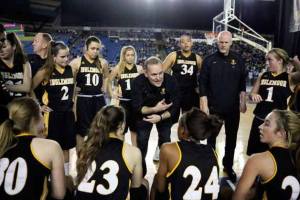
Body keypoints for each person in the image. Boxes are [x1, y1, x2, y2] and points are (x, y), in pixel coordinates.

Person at [199, 30, 247, 182]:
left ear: (231, 43)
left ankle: (228, 165)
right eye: (221, 42)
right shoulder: (209, 60)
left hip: (233, 109)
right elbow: (202, 85)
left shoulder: (238, 60)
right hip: (214, 109)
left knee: (231, 140)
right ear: (217, 42)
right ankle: (211, 166)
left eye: (226, 42)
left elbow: (242, 84)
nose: (223, 45)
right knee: (211, 139)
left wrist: (243, 102)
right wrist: (204, 105)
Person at [75, 105, 147, 200]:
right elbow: (136, 188)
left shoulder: (87, 146)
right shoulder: (133, 152)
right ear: (121, 126)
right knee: (145, 183)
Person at [0, 97, 65, 199]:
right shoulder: (52, 147)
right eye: (40, 113)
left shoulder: (3, 142)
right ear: (35, 119)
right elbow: (59, 195)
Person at [150, 108, 222, 200]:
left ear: (183, 130)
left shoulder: (168, 149)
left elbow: (161, 188)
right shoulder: (212, 152)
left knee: (157, 178)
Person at [233, 109, 300, 200]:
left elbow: (237, 198)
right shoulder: (296, 155)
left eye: (267, 124)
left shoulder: (257, 160)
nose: (260, 126)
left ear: (281, 133)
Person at [32, 41, 75, 174]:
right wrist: (39, 106)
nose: (66, 59)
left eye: (67, 56)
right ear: (53, 57)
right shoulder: (45, 71)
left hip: (67, 114)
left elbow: (73, 91)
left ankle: (66, 176)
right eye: (62, 57)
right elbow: (30, 88)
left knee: (66, 148)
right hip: (52, 115)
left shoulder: (70, 69)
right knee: (50, 146)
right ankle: (48, 176)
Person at [247, 48, 300, 156]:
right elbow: (251, 95)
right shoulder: (263, 75)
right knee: (255, 154)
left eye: (270, 60)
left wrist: (296, 62)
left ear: (280, 60)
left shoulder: (289, 78)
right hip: (259, 120)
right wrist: (254, 95)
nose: (267, 62)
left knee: (273, 154)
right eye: (266, 60)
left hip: (277, 124)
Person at [131, 56, 180, 174]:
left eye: (160, 73)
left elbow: (175, 106)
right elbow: (137, 108)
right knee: (142, 142)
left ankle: (165, 171)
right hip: (144, 114)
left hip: (164, 114)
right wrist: (155, 109)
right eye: (153, 75)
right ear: (146, 73)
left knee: (165, 141)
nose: (158, 78)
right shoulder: (137, 82)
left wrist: (161, 116)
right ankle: (140, 171)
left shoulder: (171, 81)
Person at [69, 36, 109, 146]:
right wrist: (73, 89)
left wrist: (104, 87)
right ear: (86, 48)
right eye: (92, 48)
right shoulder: (76, 62)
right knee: (81, 131)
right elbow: (69, 82)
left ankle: (97, 156)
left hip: (98, 99)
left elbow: (106, 76)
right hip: (83, 100)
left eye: (97, 49)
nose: (95, 51)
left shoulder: (103, 62)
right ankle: (81, 158)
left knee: (100, 129)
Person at [109, 45, 143, 146]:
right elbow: (108, 81)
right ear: (123, 56)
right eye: (128, 55)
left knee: (135, 131)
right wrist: (113, 93)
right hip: (123, 104)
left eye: (132, 55)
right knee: (121, 130)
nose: (131, 57)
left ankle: (134, 152)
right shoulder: (118, 68)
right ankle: (121, 153)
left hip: (136, 103)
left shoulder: (139, 68)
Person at [163, 34, 202, 120]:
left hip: (190, 93)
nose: (186, 43)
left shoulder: (197, 58)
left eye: (188, 41)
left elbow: (204, 76)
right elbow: (161, 72)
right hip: (175, 92)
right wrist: (166, 86)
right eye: (183, 42)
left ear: (192, 43)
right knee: (170, 119)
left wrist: (199, 87)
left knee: (188, 120)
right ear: (179, 44)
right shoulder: (173, 55)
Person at [28, 32, 52, 103]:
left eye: (36, 41)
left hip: (49, 104)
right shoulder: (27, 59)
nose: (33, 43)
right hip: (33, 104)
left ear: (45, 45)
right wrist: (37, 105)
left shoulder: (53, 62)